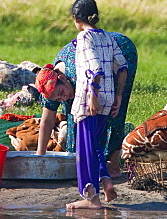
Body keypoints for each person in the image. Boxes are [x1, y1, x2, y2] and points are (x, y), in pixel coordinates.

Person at [37, 0, 127, 209]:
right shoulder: (106, 36)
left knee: (83, 152)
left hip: (89, 103)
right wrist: (118, 96)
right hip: (106, 101)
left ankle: (90, 198)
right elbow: (122, 67)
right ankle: (105, 182)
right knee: (95, 146)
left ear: (76, 19)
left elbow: (94, 69)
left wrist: (92, 96)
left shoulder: (83, 38)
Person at [35, 32, 137, 177]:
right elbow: (47, 120)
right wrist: (40, 156)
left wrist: (118, 94)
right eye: (58, 99)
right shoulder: (50, 85)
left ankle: (113, 164)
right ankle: (80, 161)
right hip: (90, 66)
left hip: (119, 50)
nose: (63, 98)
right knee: (76, 124)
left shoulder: (80, 73)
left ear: (63, 78)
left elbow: (97, 106)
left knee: (113, 109)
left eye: (62, 93)